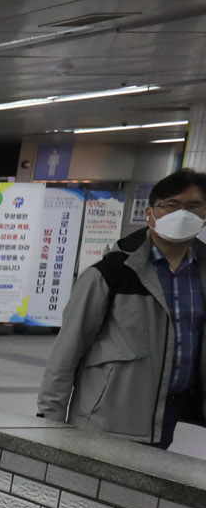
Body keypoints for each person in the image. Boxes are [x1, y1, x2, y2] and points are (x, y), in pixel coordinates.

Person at [39, 168, 206, 448]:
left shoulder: (202, 273)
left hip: (175, 415)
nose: (182, 215)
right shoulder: (111, 272)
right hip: (108, 419)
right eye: (171, 205)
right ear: (150, 212)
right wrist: (49, 420)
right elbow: (66, 351)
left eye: (193, 207)